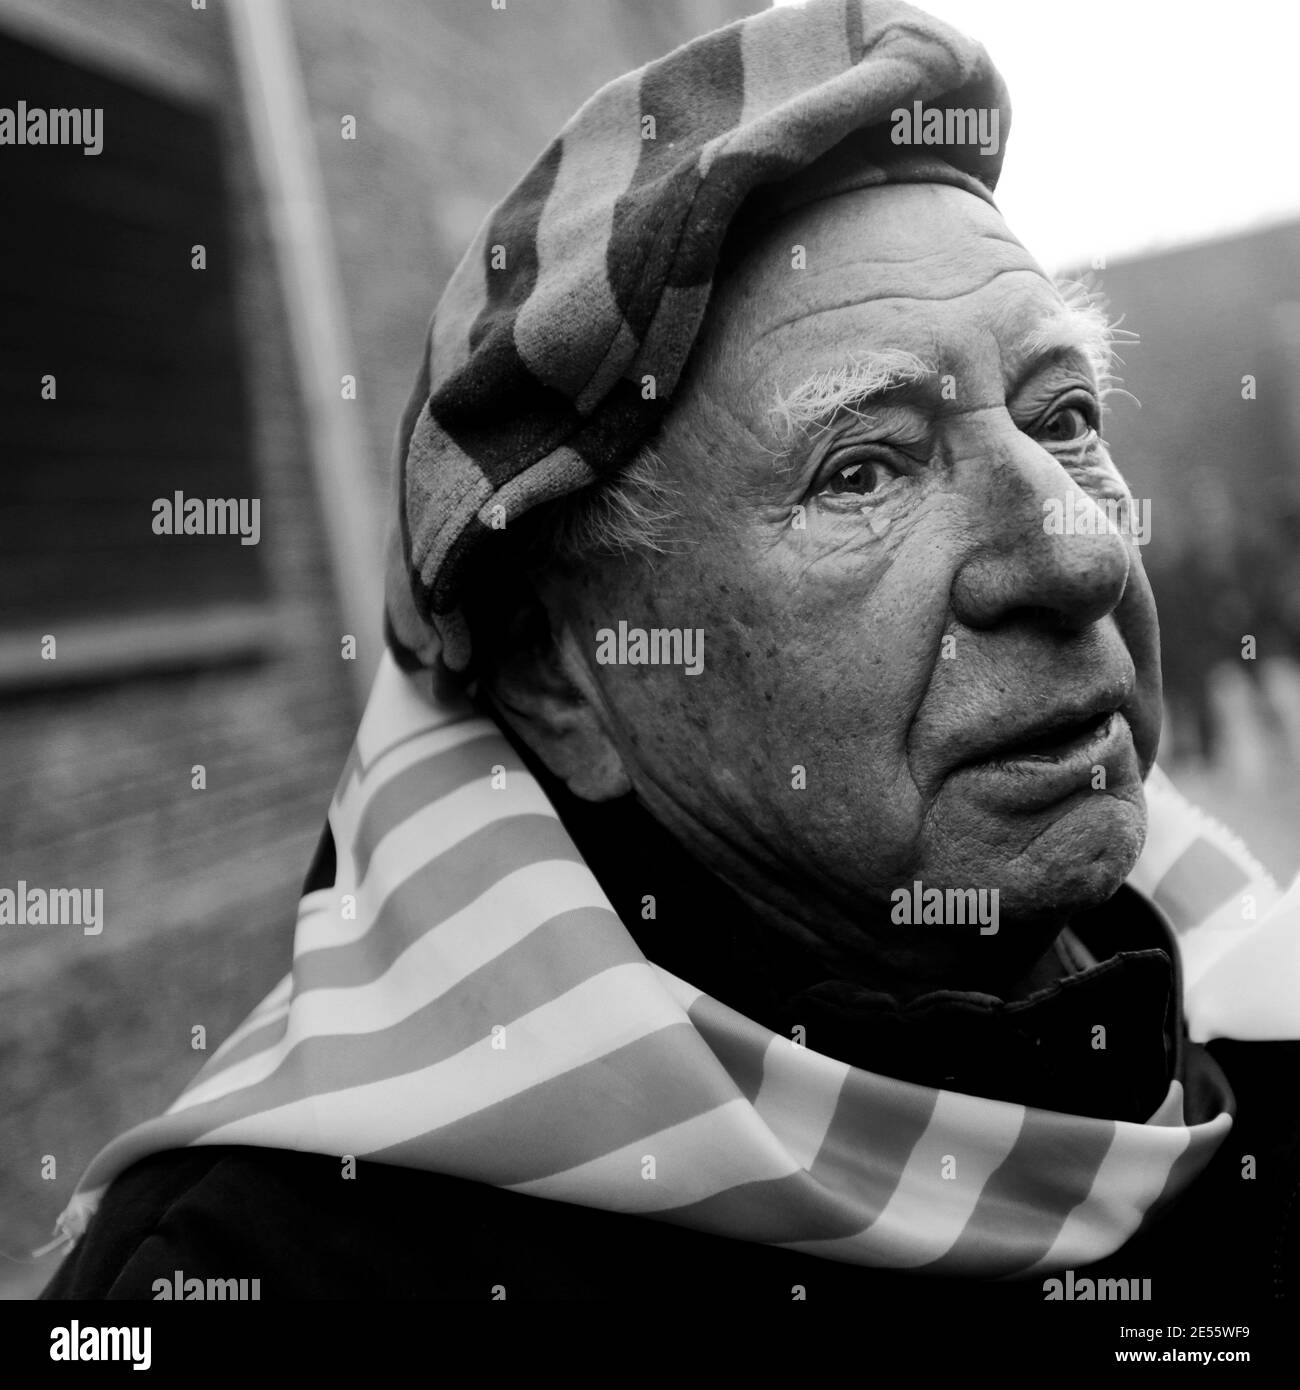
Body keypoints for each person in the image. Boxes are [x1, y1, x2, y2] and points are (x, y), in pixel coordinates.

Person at [42, 0, 1300, 1304]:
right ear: (558, 672)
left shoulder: (1247, 1010)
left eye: (1066, 415)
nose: (1080, 552)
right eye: (863, 468)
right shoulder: (261, 1268)